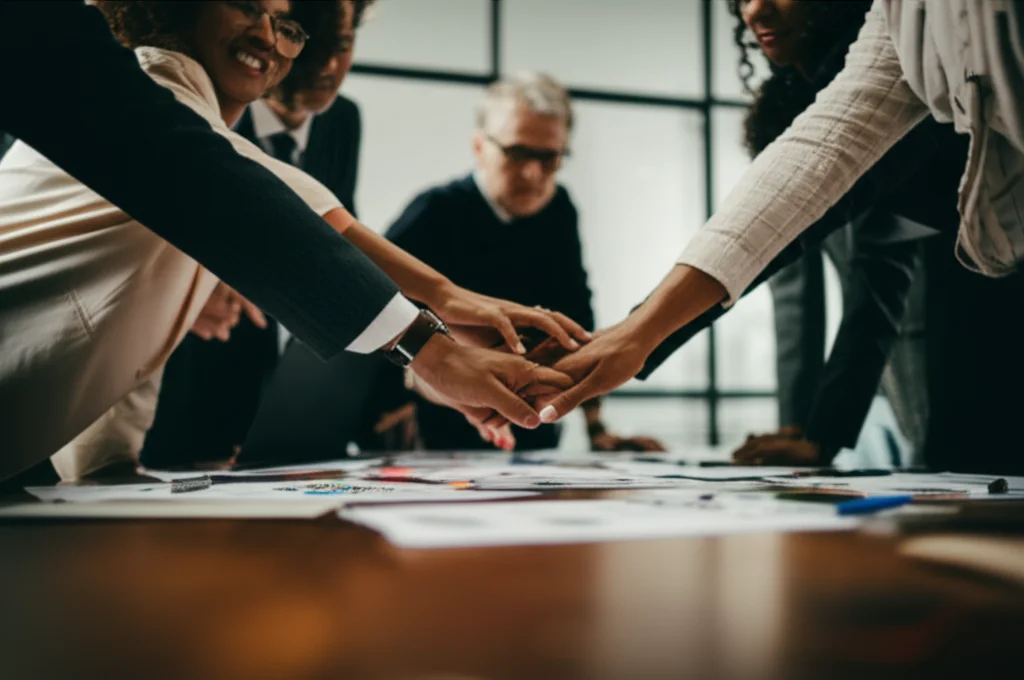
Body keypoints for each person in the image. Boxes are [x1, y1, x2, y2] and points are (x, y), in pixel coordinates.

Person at [0, 0, 583, 481]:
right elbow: (289, 214)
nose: (268, 35)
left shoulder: (202, 143)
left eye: (286, 24)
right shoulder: (157, 95)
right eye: (244, 5)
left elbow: (132, 323)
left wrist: (108, 466)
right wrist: (437, 340)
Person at [531, 0, 1024, 451]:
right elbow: (789, 247)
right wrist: (636, 332)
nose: (756, 10)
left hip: (979, 301)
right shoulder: (894, 28)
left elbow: (876, 273)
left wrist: (640, 332)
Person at [139, 0, 374, 468]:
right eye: (317, 43)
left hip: (261, 400)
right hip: (164, 372)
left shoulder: (342, 121)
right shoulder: (206, 96)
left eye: (343, 45)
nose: (328, 65)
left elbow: (335, 245)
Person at [382, 72, 665, 453]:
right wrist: (386, 402)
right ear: (479, 146)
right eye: (517, 154)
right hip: (430, 427)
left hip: (533, 427)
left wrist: (597, 429)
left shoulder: (559, 209)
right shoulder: (434, 210)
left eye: (549, 158)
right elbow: (371, 303)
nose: (533, 174)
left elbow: (576, 319)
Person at [725, 0, 937, 465]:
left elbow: (885, 259)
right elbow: (790, 286)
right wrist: (799, 425)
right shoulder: (781, 110)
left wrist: (824, 431)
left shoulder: (897, 75)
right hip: (880, 352)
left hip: (953, 329)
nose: (755, 11)